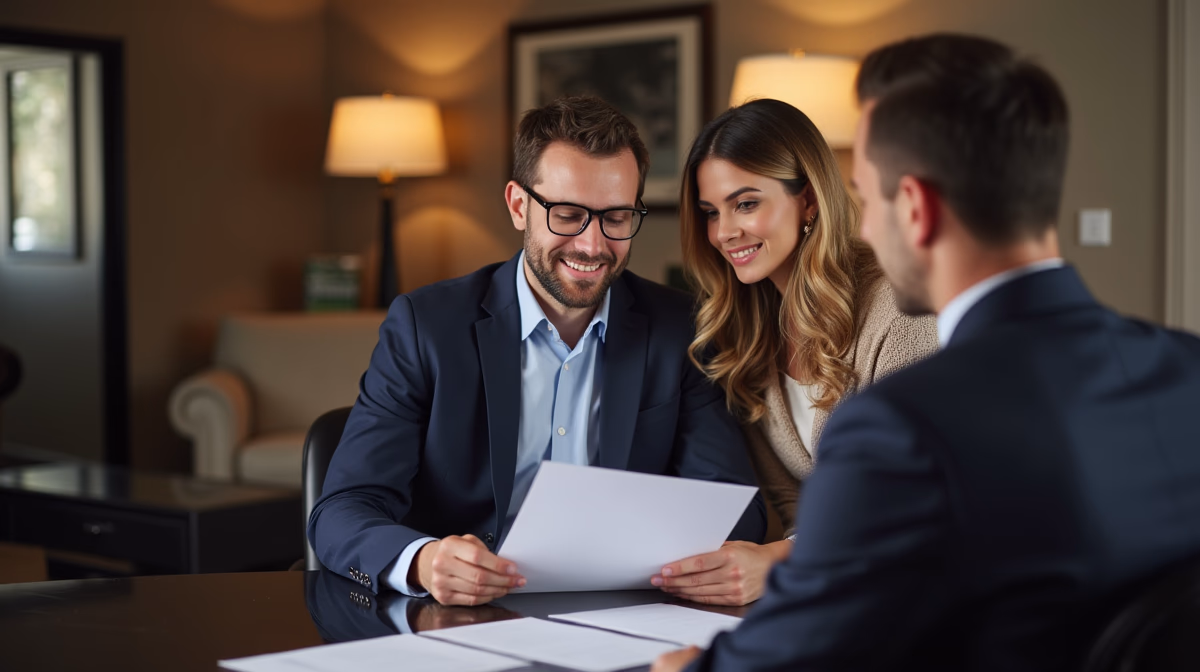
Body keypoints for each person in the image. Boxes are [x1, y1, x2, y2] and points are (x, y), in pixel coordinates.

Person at [654, 33, 1200, 671]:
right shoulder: (1186, 370)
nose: (860, 226)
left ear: (913, 207)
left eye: (868, 194)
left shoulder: (901, 424)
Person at [308, 95, 767, 608]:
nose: (593, 246)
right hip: (459, 620)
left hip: (628, 616)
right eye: (568, 215)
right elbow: (342, 509)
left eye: (616, 217)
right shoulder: (426, 327)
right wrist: (423, 560)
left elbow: (734, 511)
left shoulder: (680, 327)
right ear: (518, 205)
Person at [651, 98, 937, 607]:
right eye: (711, 212)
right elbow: (795, 499)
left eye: (746, 203)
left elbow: (917, 500)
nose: (724, 233)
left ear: (808, 200)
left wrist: (783, 561)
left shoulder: (902, 312)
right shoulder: (748, 333)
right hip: (845, 590)